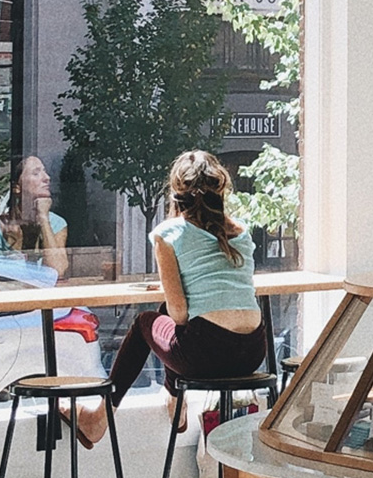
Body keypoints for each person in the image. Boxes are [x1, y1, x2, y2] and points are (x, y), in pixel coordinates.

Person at [67, 150, 266, 447]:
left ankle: (99, 418)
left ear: (176, 193)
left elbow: (179, 313)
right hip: (252, 352)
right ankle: (174, 402)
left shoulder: (169, 233)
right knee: (170, 322)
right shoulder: (242, 232)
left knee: (145, 322)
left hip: (206, 354)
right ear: (221, 189)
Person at [0, 154, 69, 278]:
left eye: (45, 172)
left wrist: (43, 218)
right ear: (17, 187)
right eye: (36, 173)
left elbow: (57, 271)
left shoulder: (56, 224)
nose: (47, 178)